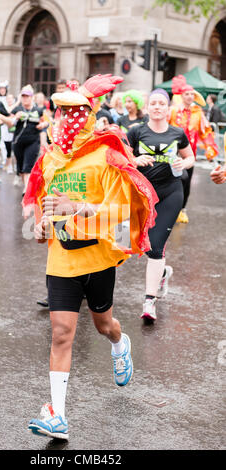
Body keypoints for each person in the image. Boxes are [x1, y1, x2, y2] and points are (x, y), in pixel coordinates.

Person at [23, 75, 158, 440]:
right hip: (61, 259)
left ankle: (119, 343)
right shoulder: (50, 158)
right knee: (62, 333)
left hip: (98, 259)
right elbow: (43, 206)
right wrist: (41, 228)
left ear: (90, 113)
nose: (69, 118)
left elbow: (121, 211)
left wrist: (78, 206)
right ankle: (57, 415)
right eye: (63, 111)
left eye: (77, 111)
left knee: (103, 325)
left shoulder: (105, 155)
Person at [127, 88, 195, 321]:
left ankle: (149, 302)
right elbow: (121, 156)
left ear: (168, 109)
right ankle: (163, 273)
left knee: (156, 246)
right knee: (144, 245)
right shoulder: (136, 131)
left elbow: (190, 157)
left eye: (161, 104)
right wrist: (135, 159)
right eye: (153, 103)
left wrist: (183, 164)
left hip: (170, 193)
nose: (157, 107)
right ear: (147, 108)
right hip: (144, 194)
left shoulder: (178, 133)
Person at [169, 75, 218, 223]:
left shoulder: (198, 112)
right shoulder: (172, 111)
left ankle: (182, 210)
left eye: (192, 94)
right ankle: (169, 210)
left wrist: (210, 147)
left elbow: (206, 130)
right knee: (171, 181)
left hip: (190, 154)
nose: (190, 96)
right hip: (171, 153)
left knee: (186, 181)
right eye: (187, 94)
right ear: (181, 96)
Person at [11, 85, 48, 196]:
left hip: (33, 141)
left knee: (28, 165)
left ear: (32, 97)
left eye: (27, 96)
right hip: (18, 142)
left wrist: (43, 125)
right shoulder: (17, 109)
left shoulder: (38, 110)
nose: (25, 99)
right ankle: (25, 185)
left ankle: (26, 190)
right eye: (23, 96)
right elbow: (9, 123)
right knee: (21, 167)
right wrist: (15, 118)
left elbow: (46, 122)